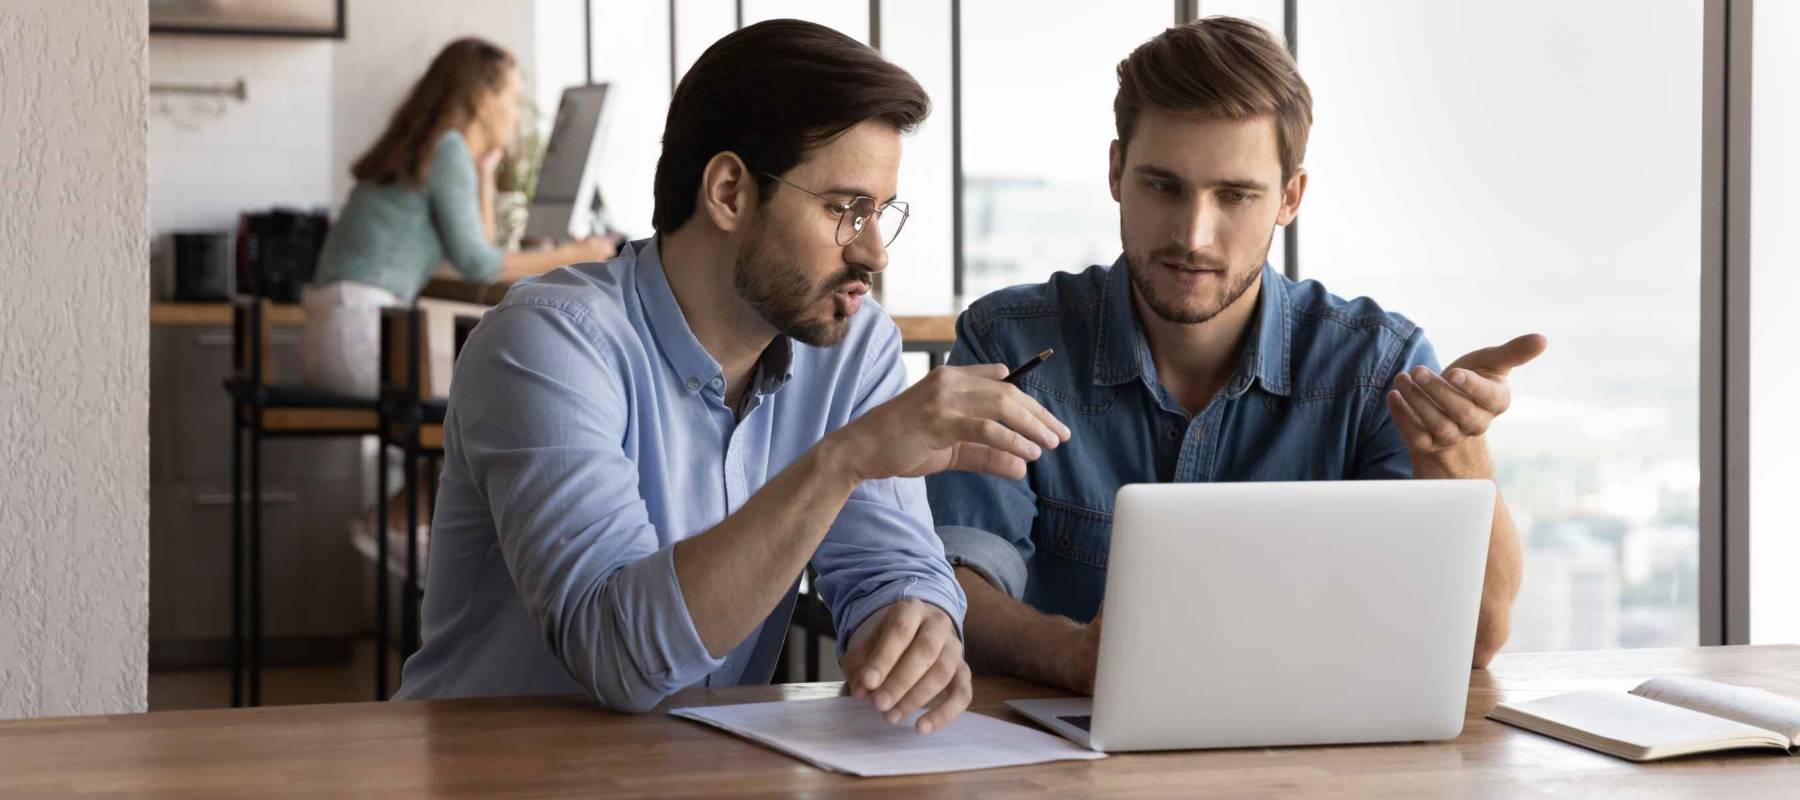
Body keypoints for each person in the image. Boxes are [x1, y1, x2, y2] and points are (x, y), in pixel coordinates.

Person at [393, 21, 1072, 735]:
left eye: (882, 212)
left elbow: (890, 569)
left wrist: (913, 623)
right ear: (727, 191)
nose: (875, 252)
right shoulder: (546, 342)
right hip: (494, 768)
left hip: (698, 764)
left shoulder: (851, 341)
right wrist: (845, 459)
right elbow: (618, 657)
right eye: (846, 209)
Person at [926, 17, 1547, 695]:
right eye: (1163, 186)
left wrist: (1458, 456)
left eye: (1235, 195)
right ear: (1115, 172)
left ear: (1290, 197)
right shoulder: (1008, 344)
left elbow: (1478, 641)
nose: (1193, 235)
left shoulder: (1375, 365)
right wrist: (1071, 654)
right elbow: (953, 583)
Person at [302, 37, 613, 396]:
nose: (516, 114)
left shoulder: (436, 146)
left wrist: (484, 173)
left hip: (336, 334)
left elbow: (481, 248)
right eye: (512, 99)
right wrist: (574, 257)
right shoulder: (448, 149)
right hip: (362, 339)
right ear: (482, 101)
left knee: (489, 383)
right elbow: (478, 264)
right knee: (508, 389)